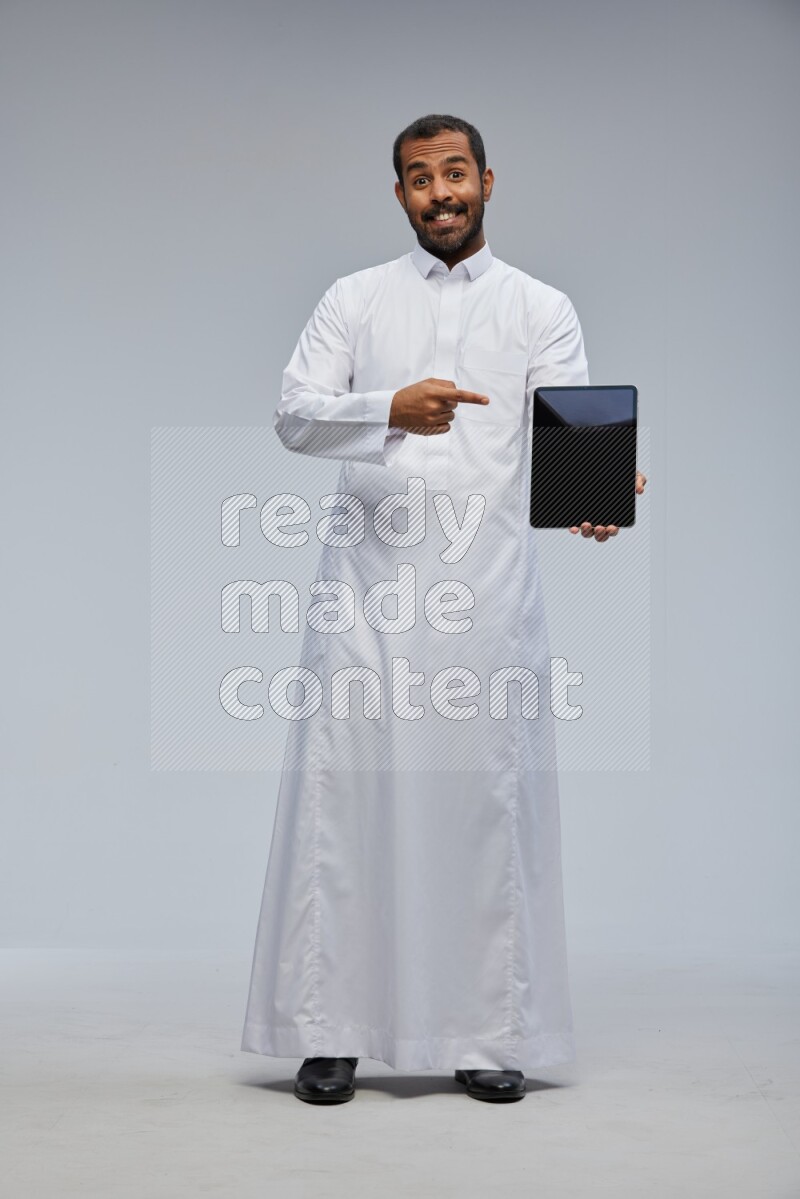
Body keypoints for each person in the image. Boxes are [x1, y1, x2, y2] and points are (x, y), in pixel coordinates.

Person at [241, 113, 647, 1104]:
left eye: (455, 172)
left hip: (487, 600)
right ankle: (330, 1029)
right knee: (349, 807)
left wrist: (596, 492)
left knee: (482, 811)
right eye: (420, 178)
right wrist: (387, 408)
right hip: (368, 598)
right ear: (399, 195)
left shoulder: (539, 307)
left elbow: (566, 432)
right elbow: (294, 413)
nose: (440, 193)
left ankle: (484, 1031)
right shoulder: (355, 299)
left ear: (487, 181)